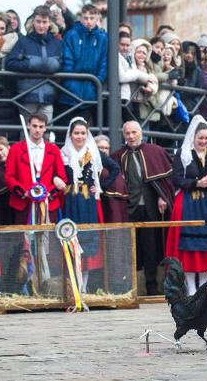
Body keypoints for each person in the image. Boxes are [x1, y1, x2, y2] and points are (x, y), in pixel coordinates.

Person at [165, 116, 207, 296]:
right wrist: (196, 183)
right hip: (188, 202)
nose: (203, 141)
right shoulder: (183, 154)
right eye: (200, 138)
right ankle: (190, 285)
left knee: (206, 246)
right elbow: (176, 179)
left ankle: (204, 283)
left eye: (205, 138)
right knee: (189, 245)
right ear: (193, 137)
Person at [111, 121, 174, 295]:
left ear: (141, 133)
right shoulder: (117, 156)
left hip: (151, 207)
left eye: (134, 132)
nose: (131, 136)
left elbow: (166, 181)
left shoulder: (156, 152)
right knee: (128, 247)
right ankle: (130, 287)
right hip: (128, 208)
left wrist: (163, 196)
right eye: (127, 133)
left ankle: (152, 285)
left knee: (151, 246)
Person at [61, 117, 120, 293]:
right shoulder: (63, 153)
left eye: (82, 133)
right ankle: (72, 287)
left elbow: (115, 168)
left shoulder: (94, 153)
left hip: (87, 202)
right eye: (76, 133)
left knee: (86, 242)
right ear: (70, 135)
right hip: (70, 201)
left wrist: (101, 187)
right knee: (70, 237)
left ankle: (84, 288)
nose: (79, 136)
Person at [4, 112, 67, 225]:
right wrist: (24, 192)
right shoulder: (16, 149)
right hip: (23, 202)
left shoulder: (54, 150)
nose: (37, 130)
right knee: (24, 239)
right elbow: (9, 177)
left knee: (47, 239)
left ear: (45, 128)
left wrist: (49, 194)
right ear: (28, 126)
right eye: (34, 126)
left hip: (48, 202)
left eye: (41, 127)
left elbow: (62, 178)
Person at [5, 5, 62, 123]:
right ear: (33, 22)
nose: (41, 25)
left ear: (49, 23)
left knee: (45, 133)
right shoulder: (23, 41)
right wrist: (32, 63)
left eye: (44, 22)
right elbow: (10, 63)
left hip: (48, 96)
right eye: (38, 21)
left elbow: (64, 64)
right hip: (27, 95)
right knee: (27, 133)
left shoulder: (57, 43)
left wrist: (54, 66)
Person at [57, 4, 107, 125]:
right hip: (68, 93)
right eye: (85, 18)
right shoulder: (71, 35)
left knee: (81, 131)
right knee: (64, 132)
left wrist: (96, 83)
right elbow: (66, 61)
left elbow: (104, 64)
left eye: (92, 18)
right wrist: (70, 84)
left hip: (89, 93)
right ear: (80, 18)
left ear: (97, 19)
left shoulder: (103, 38)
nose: (88, 21)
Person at [94, 134, 129, 223]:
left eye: (106, 148)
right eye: (101, 147)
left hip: (115, 207)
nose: (104, 151)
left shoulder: (114, 165)